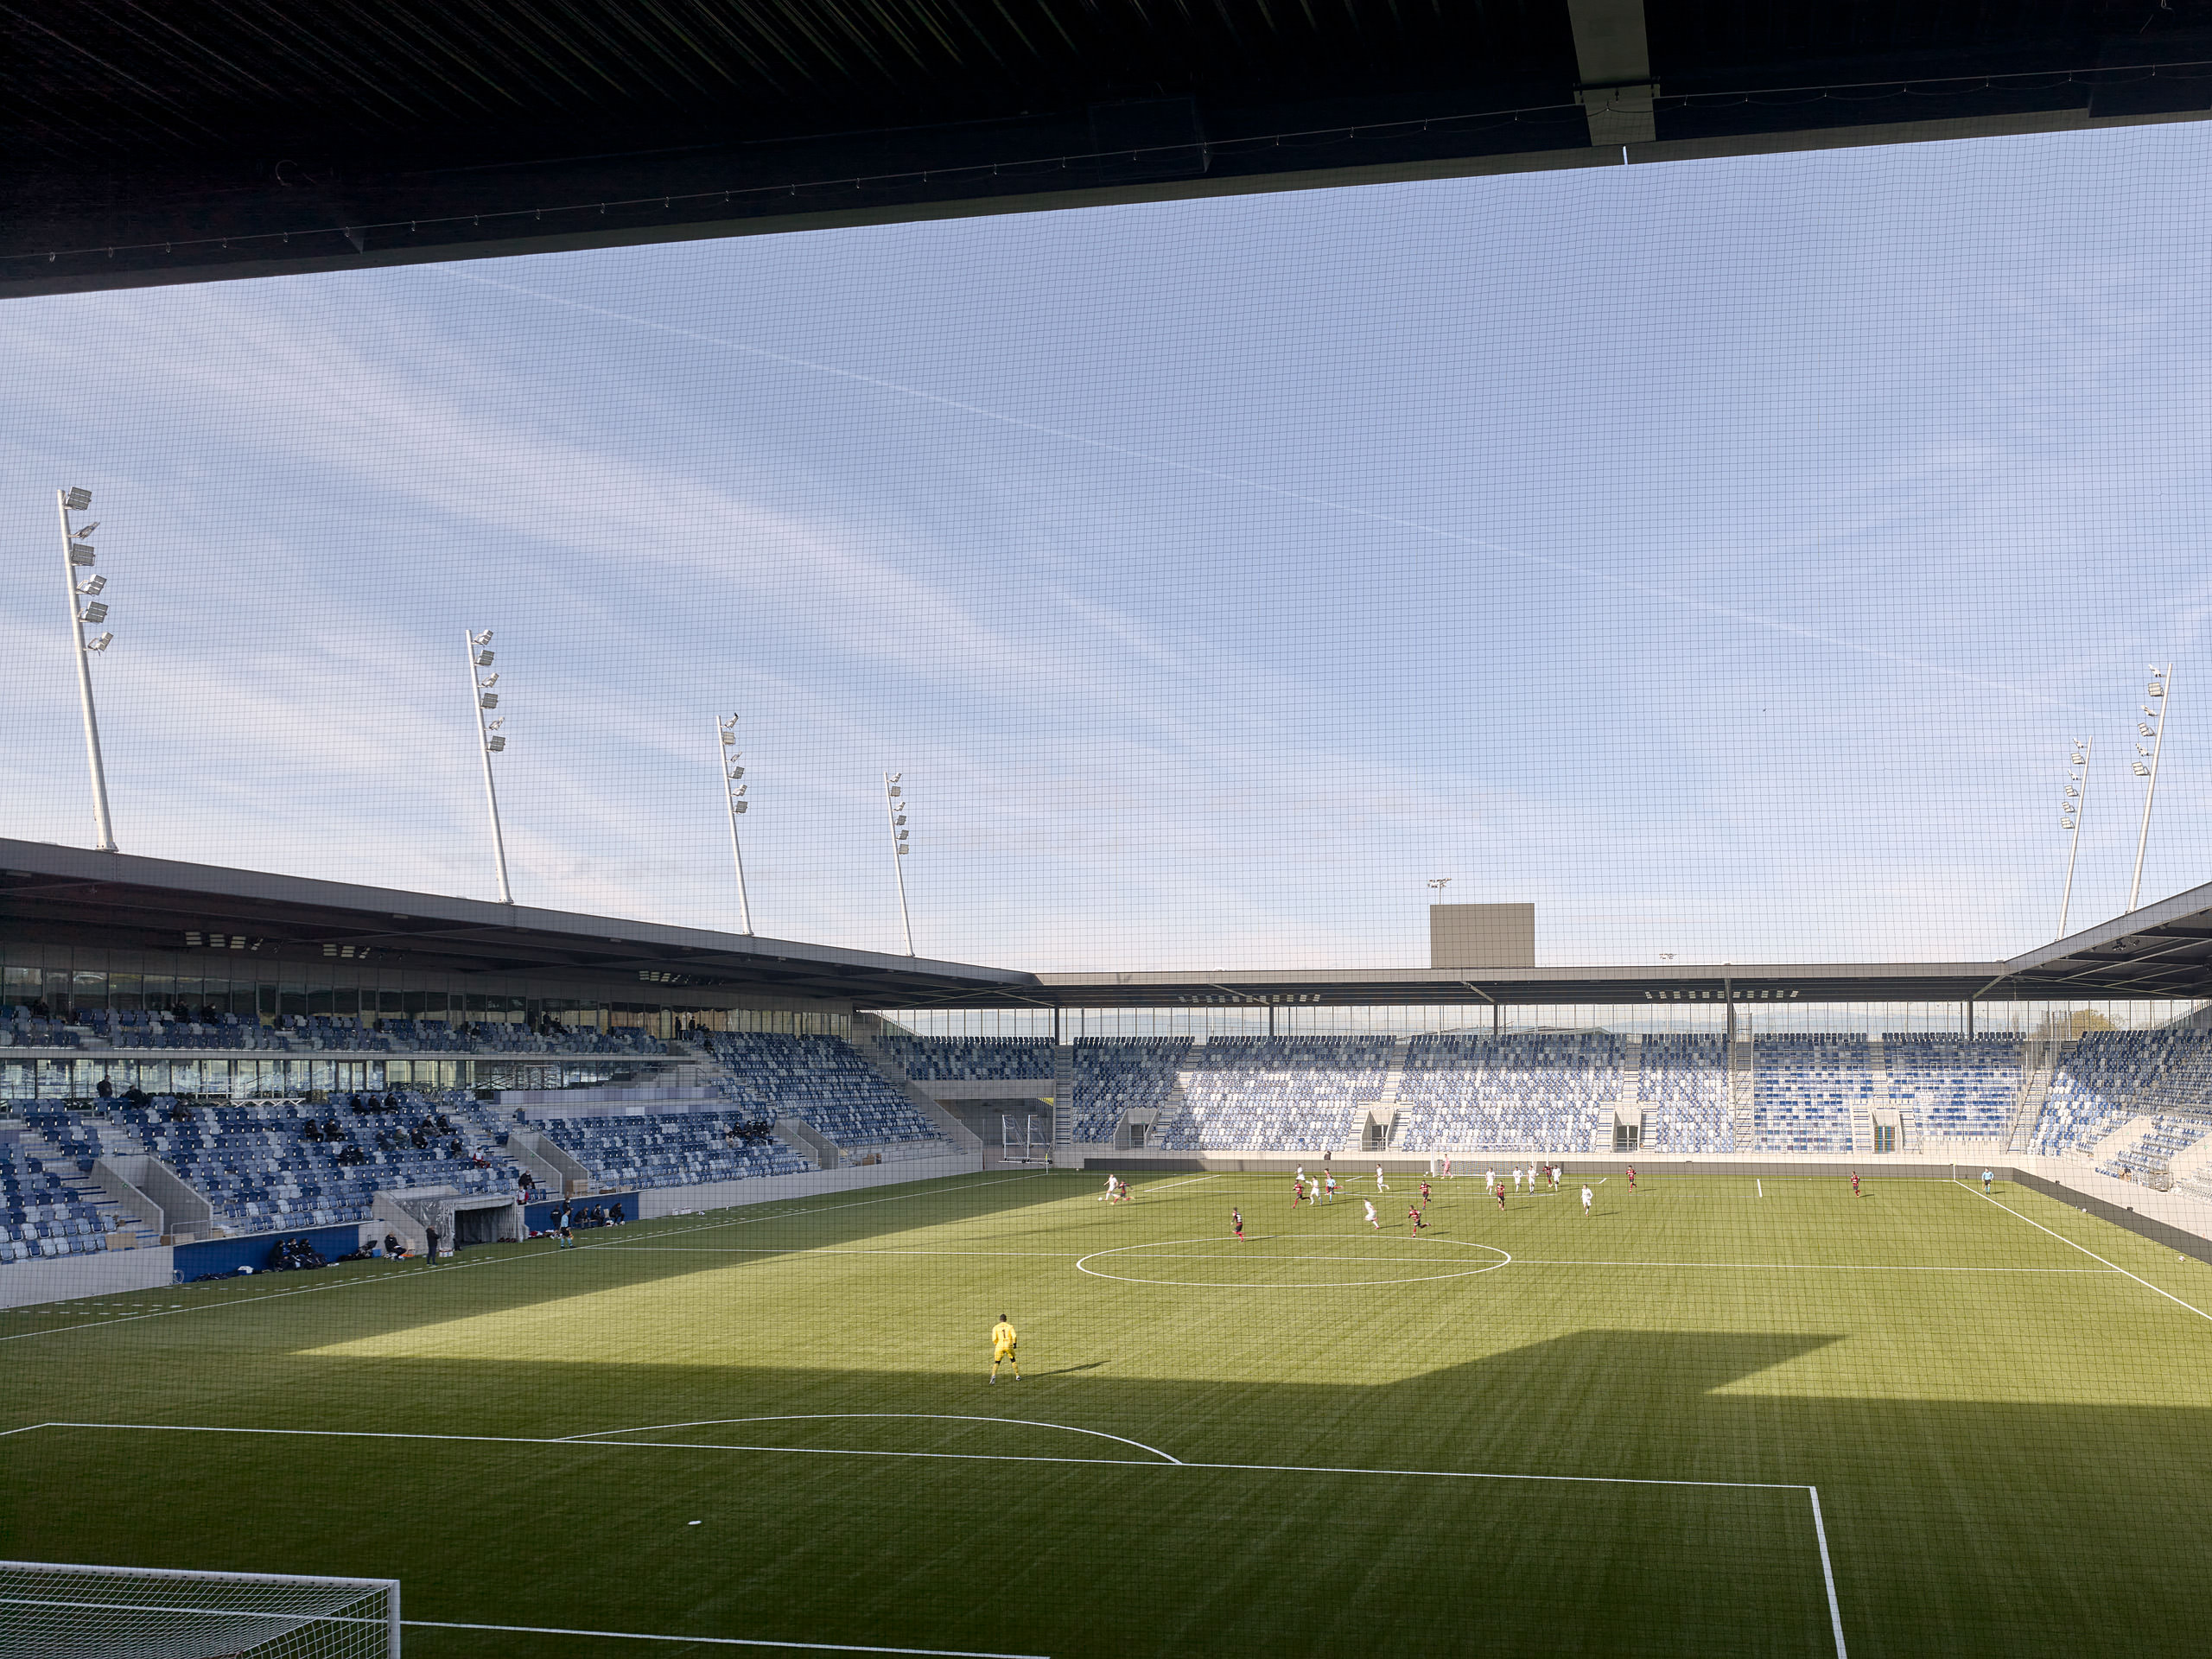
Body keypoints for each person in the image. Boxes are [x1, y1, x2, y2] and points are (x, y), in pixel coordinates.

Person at [988, 1313, 1020, 1382]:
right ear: (1006, 1319)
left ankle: (993, 1376)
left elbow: (994, 1339)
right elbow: (1014, 1336)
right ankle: (1017, 1376)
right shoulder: (1010, 1327)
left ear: (1000, 1320)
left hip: (999, 1346)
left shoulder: (996, 1327)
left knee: (997, 1362)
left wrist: (997, 1344)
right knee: (1013, 1360)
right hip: (1008, 1345)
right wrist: (1014, 1344)